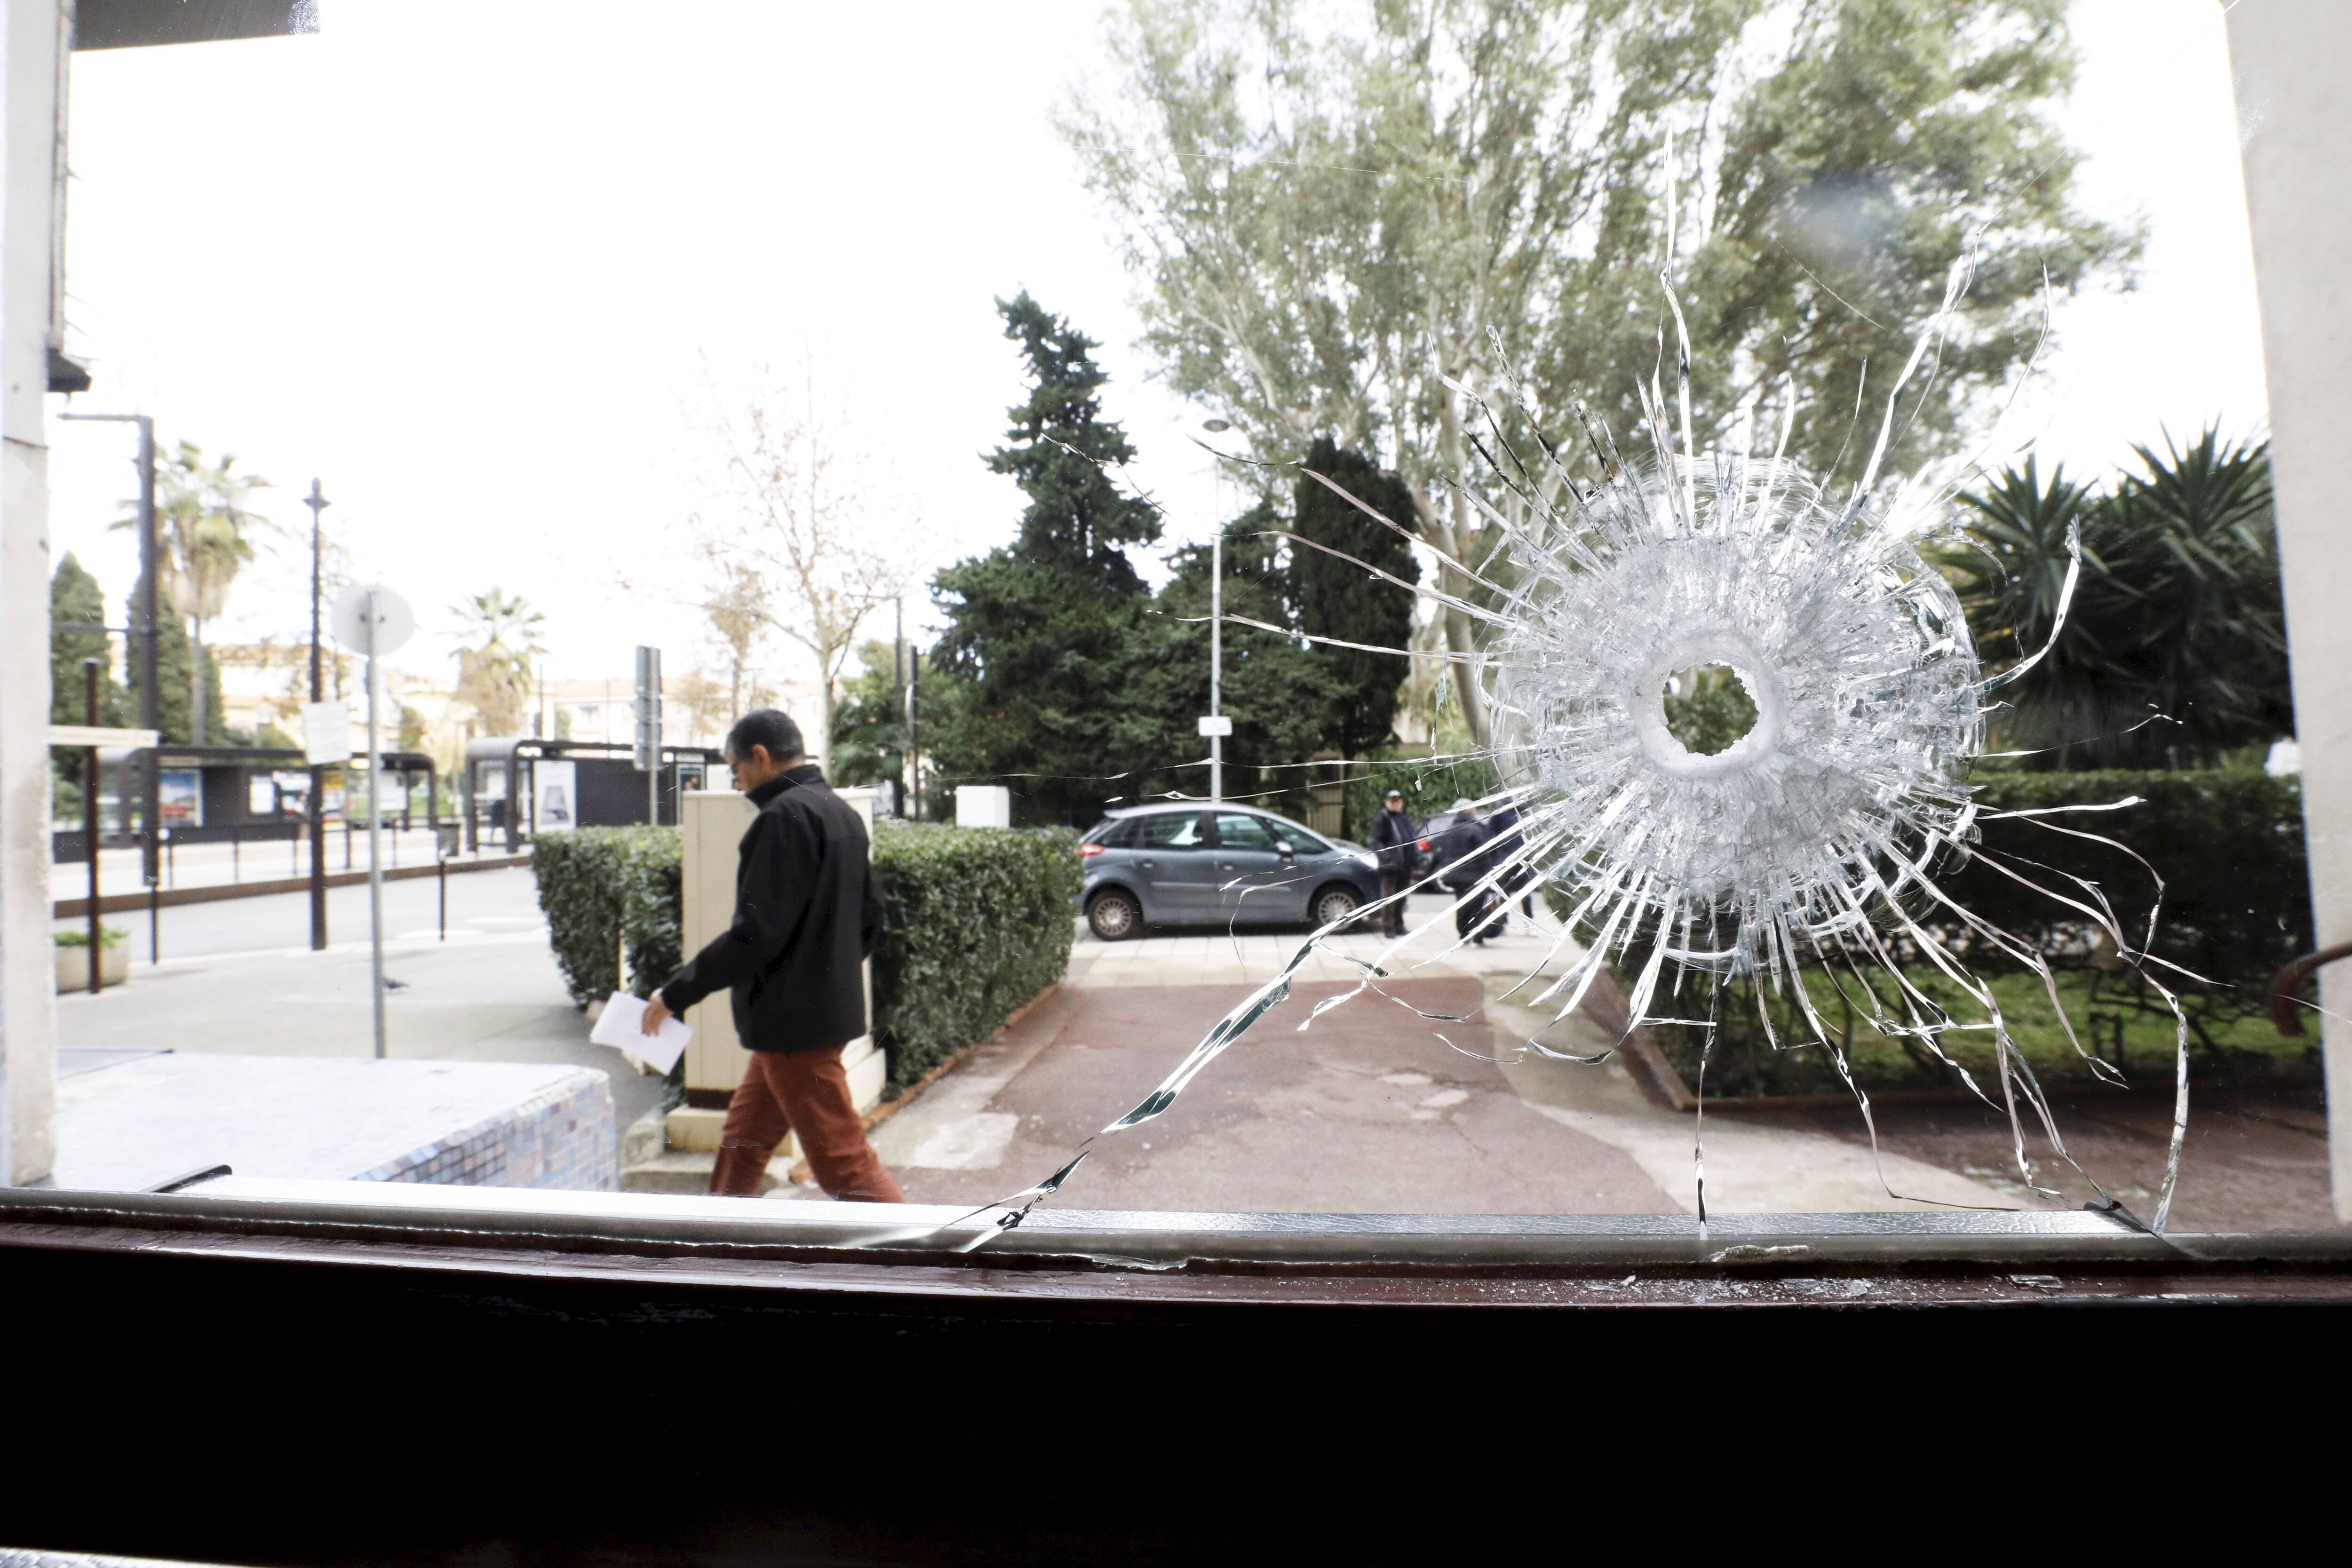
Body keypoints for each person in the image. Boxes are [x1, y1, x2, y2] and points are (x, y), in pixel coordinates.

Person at [641, 708, 904, 1202]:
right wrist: (826, 972)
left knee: (845, 1167)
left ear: (760, 757)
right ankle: (716, 1247)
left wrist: (675, 993)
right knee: (743, 1142)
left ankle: (928, 1266)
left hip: (792, 1028)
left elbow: (754, 936)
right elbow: (871, 915)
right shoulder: (838, 812)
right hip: (804, 1022)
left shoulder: (781, 820)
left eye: (734, 767)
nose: (735, 780)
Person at [1435, 798, 1501, 945]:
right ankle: (1477, 937)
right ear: (1470, 812)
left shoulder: (1450, 830)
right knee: (1476, 906)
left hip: (1456, 877)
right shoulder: (1476, 830)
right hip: (1475, 877)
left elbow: (1441, 854)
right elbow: (1483, 855)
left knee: (1462, 904)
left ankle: (1464, 934)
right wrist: (1489, 873)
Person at [1366, 788, 1419, 938]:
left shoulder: (1403, 817)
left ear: (1401, 803)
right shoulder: (1383, 818)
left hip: (1405, 866)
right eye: (1392, 801)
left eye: (1397, 801)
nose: (1395, 804)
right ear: (1387, 802)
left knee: (1402, 898)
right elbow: (1376, 842)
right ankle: (1388, 928)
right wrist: (1387, 858)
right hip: (1390, 868)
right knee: (1389, 899)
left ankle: (1399, 925)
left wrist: (1415, 857)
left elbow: (1410, 839)